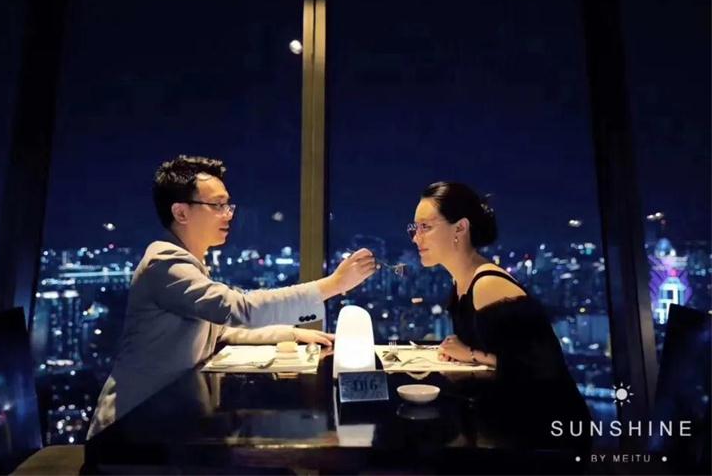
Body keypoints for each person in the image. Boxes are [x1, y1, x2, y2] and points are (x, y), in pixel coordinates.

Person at [87, 155, 376, 438]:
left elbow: (221, 331)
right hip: (133, 428)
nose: (228, 214)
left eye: (228, 205)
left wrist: (292, 334)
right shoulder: (165, 263)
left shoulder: (190, 263)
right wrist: (332, 285)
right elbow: (238, 309)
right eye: (217, 205)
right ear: (181, 213)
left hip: (170, 420)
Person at [409, 181, 590, 451]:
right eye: (415, 228)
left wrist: (469, 354)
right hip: (508, 416)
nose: (416, 238)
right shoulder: (461, 282)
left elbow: (541, 369)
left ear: (460, 228)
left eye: (426, 227)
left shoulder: (487, 284)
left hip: (546, 434)